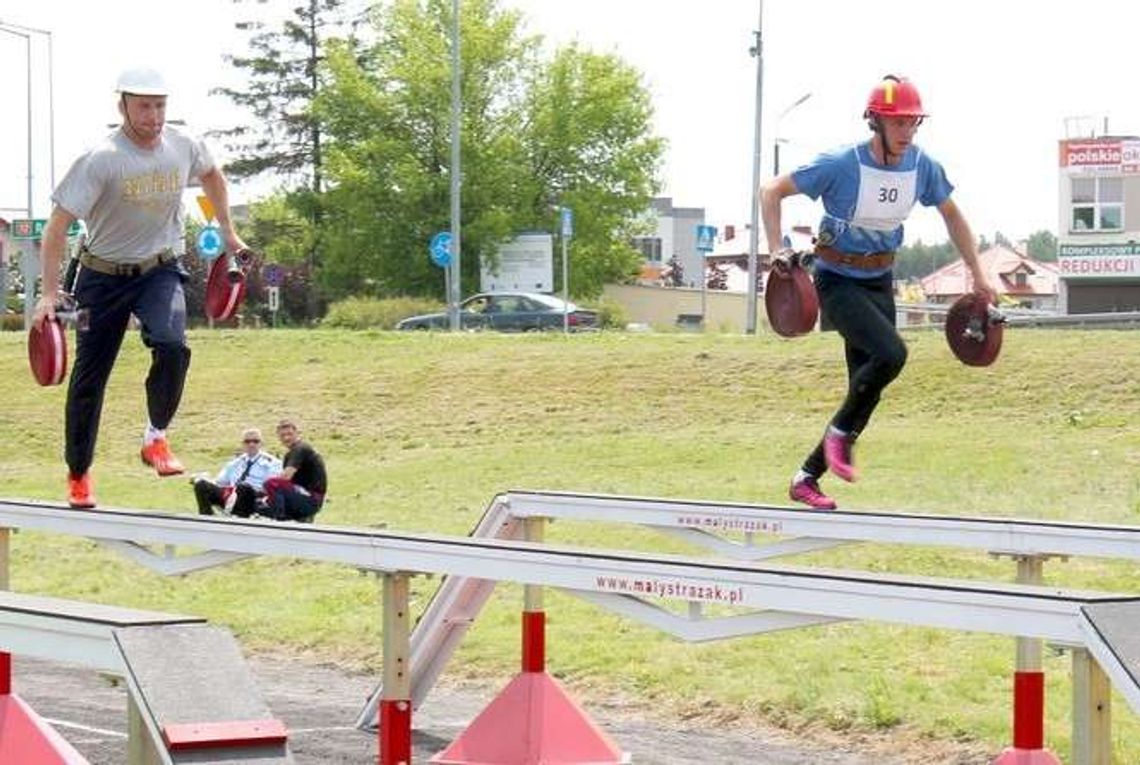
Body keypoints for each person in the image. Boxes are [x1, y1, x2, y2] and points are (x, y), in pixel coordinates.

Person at [759, 74, 997, 510]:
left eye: (913, 122)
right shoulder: (840, 164)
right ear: (875, 122)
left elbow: (952, 215)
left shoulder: (922, 166)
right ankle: (838, 437)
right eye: (898, 122)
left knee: (865, 390)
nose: (907, 132)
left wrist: (978, 273)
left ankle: (805, 477)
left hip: (880, 281)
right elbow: (771, 190)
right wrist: (777, 248)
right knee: (892, 355)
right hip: (836, 281)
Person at [32, 67, 249, 509]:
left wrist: (228, 232)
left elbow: (213, 176)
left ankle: (155, 438)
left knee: (172, 346)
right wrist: (50, 294)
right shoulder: (101, 159)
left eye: (160, 106)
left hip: (159, 271)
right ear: (123, 106)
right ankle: (78, 473)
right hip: (99, 280)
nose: (153, 116)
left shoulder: (183, 145)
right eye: (144, 106)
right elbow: (57, 227)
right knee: (90, 376)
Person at [192, 428, 283, 517]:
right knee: (201, 484)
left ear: (261, 443)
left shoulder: (272, 463)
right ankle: (207, 518)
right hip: (231, 497)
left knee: (243, 487)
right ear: (243, 444)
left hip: (253, 499)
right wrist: (203, 478)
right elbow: (220, 482)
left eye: (255, 441)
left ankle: (238, 520)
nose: (251, 444)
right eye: (247, 441)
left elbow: (271, 488)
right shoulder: (235, 463)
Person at [262, 419, 328, 522]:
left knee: (271, 483)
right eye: (283, 435)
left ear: (297, 433)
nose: (286, 438)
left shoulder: (300, 449)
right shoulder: (291, 453)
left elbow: (285, 477)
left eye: (289, 434)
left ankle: (279, 518)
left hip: (311, 498)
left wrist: (265, 491)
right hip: (304, 495)